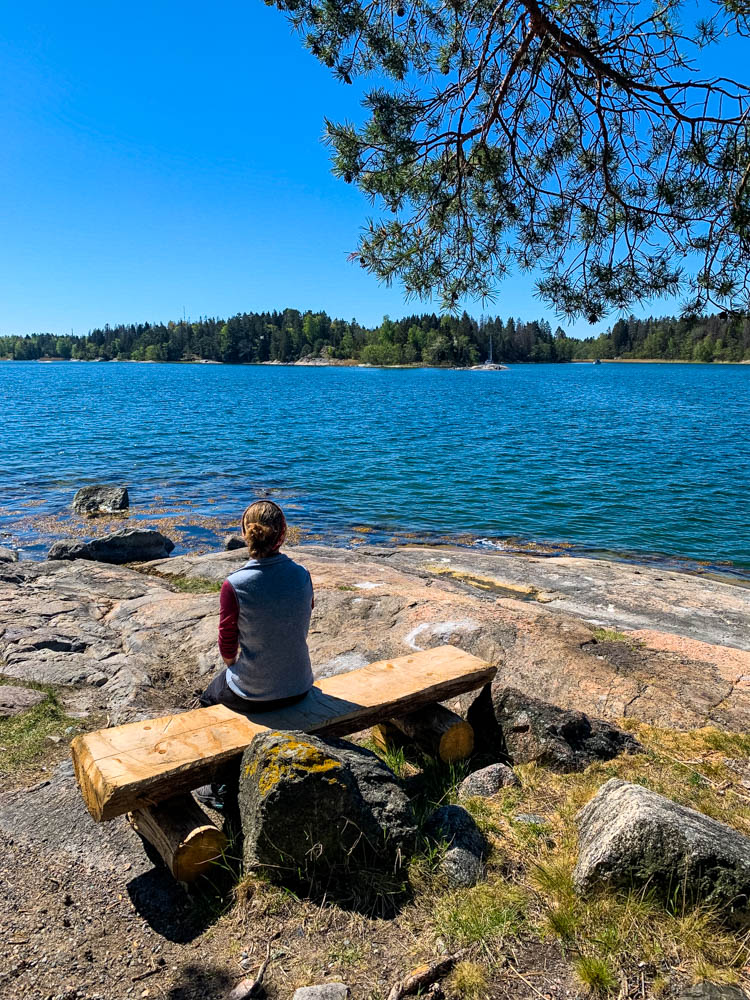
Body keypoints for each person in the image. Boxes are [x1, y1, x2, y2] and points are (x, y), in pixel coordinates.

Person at [195, 499, 314, 810]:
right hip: (300, 687)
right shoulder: (302, 575)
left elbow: (227, 647)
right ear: (283, 534)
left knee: (208, 700)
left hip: (257, 694)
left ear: (245, 534)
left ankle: (221, 788)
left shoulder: (234, 585)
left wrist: (235, 665)